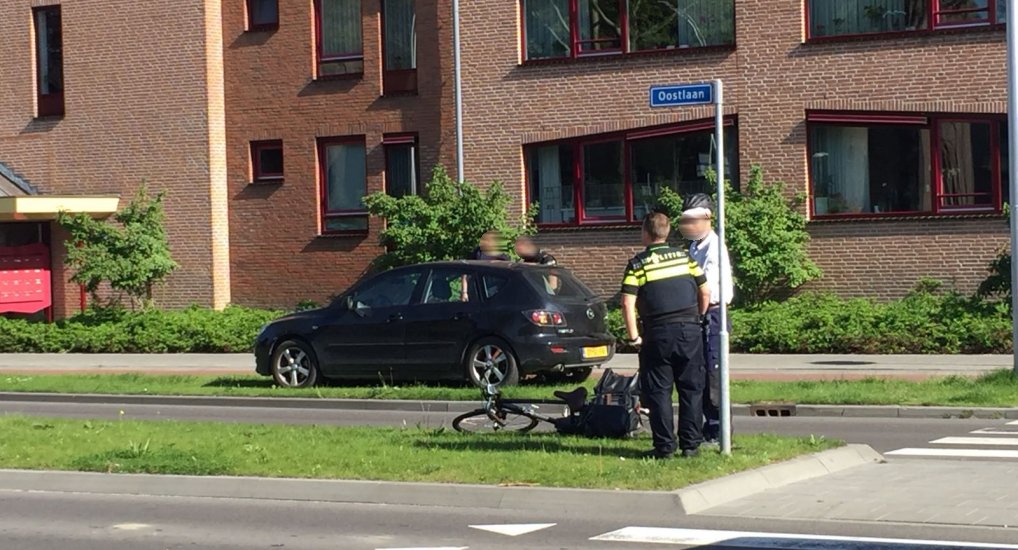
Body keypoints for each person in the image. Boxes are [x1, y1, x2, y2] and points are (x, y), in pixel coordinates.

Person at [621, 212, 710, 459]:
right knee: (691, 389)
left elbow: (628, 304)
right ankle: (691, 446)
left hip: (657, 333)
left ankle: (665, 448)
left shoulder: (638, 264)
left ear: (646, 233)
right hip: (689, 331)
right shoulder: (686, 259)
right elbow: (705, 292)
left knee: (659, 392)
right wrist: (699, 319)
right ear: (667, 232)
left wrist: (633, 338)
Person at [679, 193, 735, 445]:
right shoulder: (694, 246)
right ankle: (708, 426)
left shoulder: (714, 246)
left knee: (713, 375)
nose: (688, 226)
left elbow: (708, 289)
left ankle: (719, 430)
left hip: (712, 315)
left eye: (693, 220)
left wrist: (696, 314)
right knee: (699, 374)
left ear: (707, 219)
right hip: (699, 314)